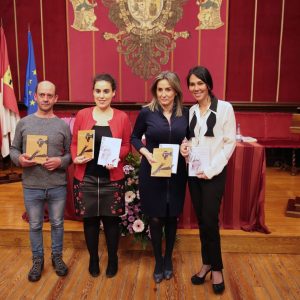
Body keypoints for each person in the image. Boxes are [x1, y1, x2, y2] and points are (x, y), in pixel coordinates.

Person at [180, 66, 236, 294]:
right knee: (202, 221)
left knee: (210, 221)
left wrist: (211, 170)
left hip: (213, 174)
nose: (196, 88)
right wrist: (185, 148)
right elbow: (192, 139)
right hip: (194, 174)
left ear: (209, 84)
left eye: (200, 83)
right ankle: (206, 263)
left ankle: (217, 269)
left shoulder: (224, 109)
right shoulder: (191, 110)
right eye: (192, 84)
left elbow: (229, 143)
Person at [10, 81, 71, 282]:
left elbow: (71, 154)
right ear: (35, 96)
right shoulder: (24, 123)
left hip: (57, 185)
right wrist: (19, 159)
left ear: (56, 98)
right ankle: (38, 260)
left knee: (58, 224)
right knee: (35, 225)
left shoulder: (62, 125)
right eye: (42, 94)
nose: (45, 99)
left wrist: (60, 161)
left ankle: (57, 257)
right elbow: (13, 150)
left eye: (49, 95)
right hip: (32, 185)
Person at [131, 71, 189, 283]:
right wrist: (146, 153)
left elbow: (191, 138)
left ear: (176, 91)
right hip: (152, 170)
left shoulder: (187, 113)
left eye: (168, 89)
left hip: (176, 172)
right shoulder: (147, 112)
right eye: (160, 89)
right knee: (155, 218)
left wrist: (187, 146)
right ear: (155, 91)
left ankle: (168, 260)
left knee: (172, 216)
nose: (164, 94)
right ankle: (157, 260)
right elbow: (135, 137)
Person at [71, 73, 131, 278]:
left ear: (114, 93)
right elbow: (74, 144)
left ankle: (113, 259)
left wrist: (117, 156)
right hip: (86, 177)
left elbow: (126, 146)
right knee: (90, 221)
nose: (102, 95)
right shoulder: (82, 115)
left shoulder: (122, 117)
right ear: (93, 92)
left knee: (111, 221)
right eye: (98, 91)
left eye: (106, 91)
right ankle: (94, 258)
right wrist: (75, 157)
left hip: (111, 179)